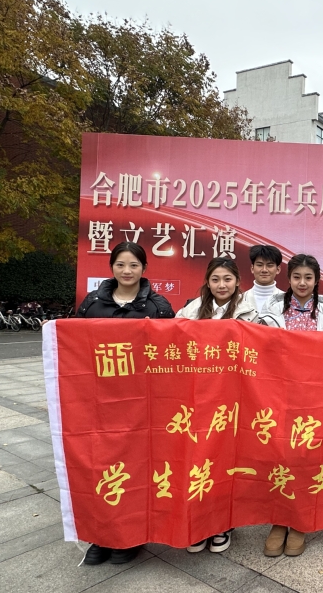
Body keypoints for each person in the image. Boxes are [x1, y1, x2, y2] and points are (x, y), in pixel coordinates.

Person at [76, 242, 175, 565]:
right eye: (120, 264)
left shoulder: (159, 307)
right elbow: (75, 344)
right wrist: (53, 331)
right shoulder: (92, 303)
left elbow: (171, 355)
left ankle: (131, 535)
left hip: (142, 404)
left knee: (137, 467)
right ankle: (101, 534)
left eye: (133, 265)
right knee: (100, 465)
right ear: (111, 267)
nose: (127, 271)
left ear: (144, 268)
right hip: (100, 402)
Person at [257, 254, 323, 557]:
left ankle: (300, 521)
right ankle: (279, 519)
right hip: (280, 393)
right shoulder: (270, 309)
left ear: (317, 279)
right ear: (288, 278)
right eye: (297, 277)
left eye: (308, 277)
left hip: (317, 394)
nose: (302, 283)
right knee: (281, 454)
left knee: (307, 455)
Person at [176, 257, 258, 555]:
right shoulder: (190, 311)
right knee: (198, 460)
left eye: (227, 279)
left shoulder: (252, 314)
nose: (221, 285)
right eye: (215, 279)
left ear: (237, 281)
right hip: (198, 398)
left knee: (226, 462)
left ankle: (223, 523)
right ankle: (198, 523)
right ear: (207, 282)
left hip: (234, 400)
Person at [244, 244, 284, 312]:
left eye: (270, 265)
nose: (264, 270)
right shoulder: (239, 300)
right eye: (259, 265)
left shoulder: (287, 301)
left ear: (278, 269)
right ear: (252, 268)